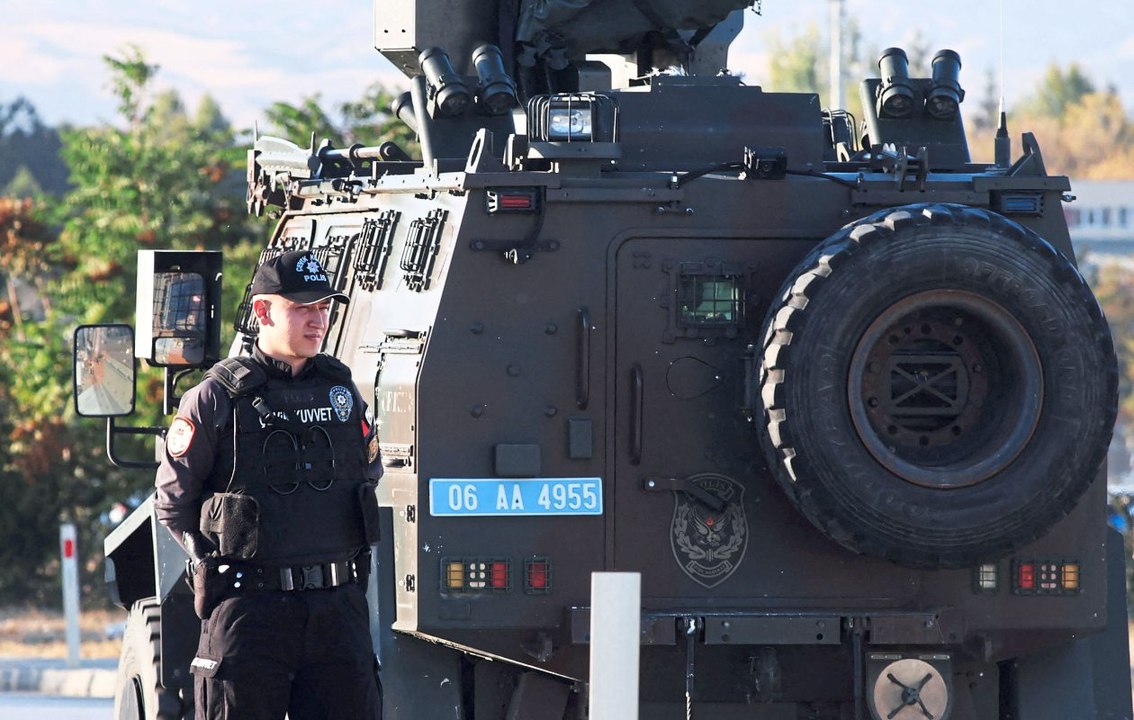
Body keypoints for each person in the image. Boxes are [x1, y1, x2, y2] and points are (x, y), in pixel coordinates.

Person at [154, 250, 383, 720]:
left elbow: (366, 476)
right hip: (250, 612)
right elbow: (173, 504)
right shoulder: (215, 397)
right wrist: (207, 564)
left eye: (323, 307)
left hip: (336, 612)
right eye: (302, 307)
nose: (317, 319)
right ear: (263, 311)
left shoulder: (341, 391)